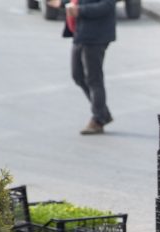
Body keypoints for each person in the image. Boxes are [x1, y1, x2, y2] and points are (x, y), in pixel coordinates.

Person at [47, 0, 115, 134]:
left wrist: (80, 10)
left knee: (94, 79)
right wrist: (62, 3)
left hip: (96, 36)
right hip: (81, 33)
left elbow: (107, 5)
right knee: (77, 75)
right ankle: (103, 113)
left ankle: (98, 119)